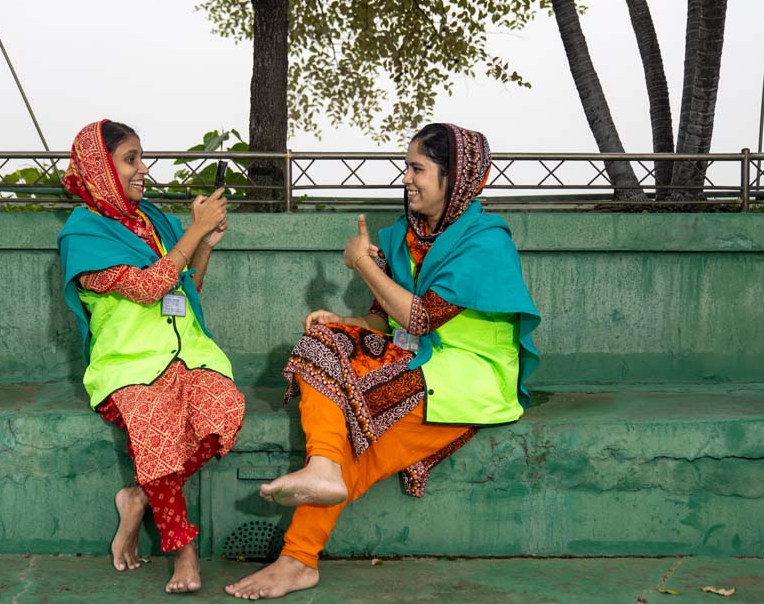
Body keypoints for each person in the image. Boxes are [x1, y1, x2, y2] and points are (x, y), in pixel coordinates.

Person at [225, 123, 540, 600]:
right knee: (318, 341)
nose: (407, 179)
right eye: (406, 167)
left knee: (360, 416)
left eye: (418, 169)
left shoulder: (484, 241)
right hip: (413, 357)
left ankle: (297, 557)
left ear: (455, 178)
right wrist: (344, 320)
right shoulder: (403, 236)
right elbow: (385, 322)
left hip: (466, 376)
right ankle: (321, 479)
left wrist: (361, 264)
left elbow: (422, 316)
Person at [57, 119, 244, 594]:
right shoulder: (83, 234)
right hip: (129, 367)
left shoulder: (155, 221)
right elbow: (147, 287)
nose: (143, 169)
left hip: (188, 356)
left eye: (142, 157)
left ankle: (138, 496)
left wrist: (203, 243)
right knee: (155, 433)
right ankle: (182, 554)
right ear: (100, 168)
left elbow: (186, 288)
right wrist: (194, 230)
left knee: (225, 413)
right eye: (130, 159)